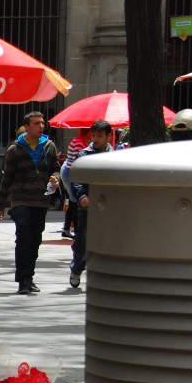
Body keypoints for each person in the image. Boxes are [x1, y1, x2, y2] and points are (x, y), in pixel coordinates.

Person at [0, 110, 61, 294]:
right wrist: (1, 204)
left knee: (35, 240)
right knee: (24, 238)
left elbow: (56, 168)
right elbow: (7, 178)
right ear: (26, 127)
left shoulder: (49, 146)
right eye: (36, 123)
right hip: (20, 199)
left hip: (41, 200)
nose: (41, 126)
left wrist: (55, 178)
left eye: (42, 123)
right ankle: (23, 279)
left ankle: (29, 277)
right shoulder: (14, 149)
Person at [68, 119, 112, 289]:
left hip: (107, 206)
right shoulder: (83, 155)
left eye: (99, 135)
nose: (95, 138)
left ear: (109, 136)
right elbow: (76, 179)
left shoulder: (114, 155)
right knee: (83, 241)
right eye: (93, 135)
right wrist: (82, 196)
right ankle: (76, 269)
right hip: (86, 206)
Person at [59, 128, 89, 239]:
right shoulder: (79, 143)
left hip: (68, 171)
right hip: (71, 173)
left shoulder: (76, 141)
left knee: (72, 202)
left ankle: (67, 228)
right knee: (75, 202)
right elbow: (79, 161)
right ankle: (76, 230)